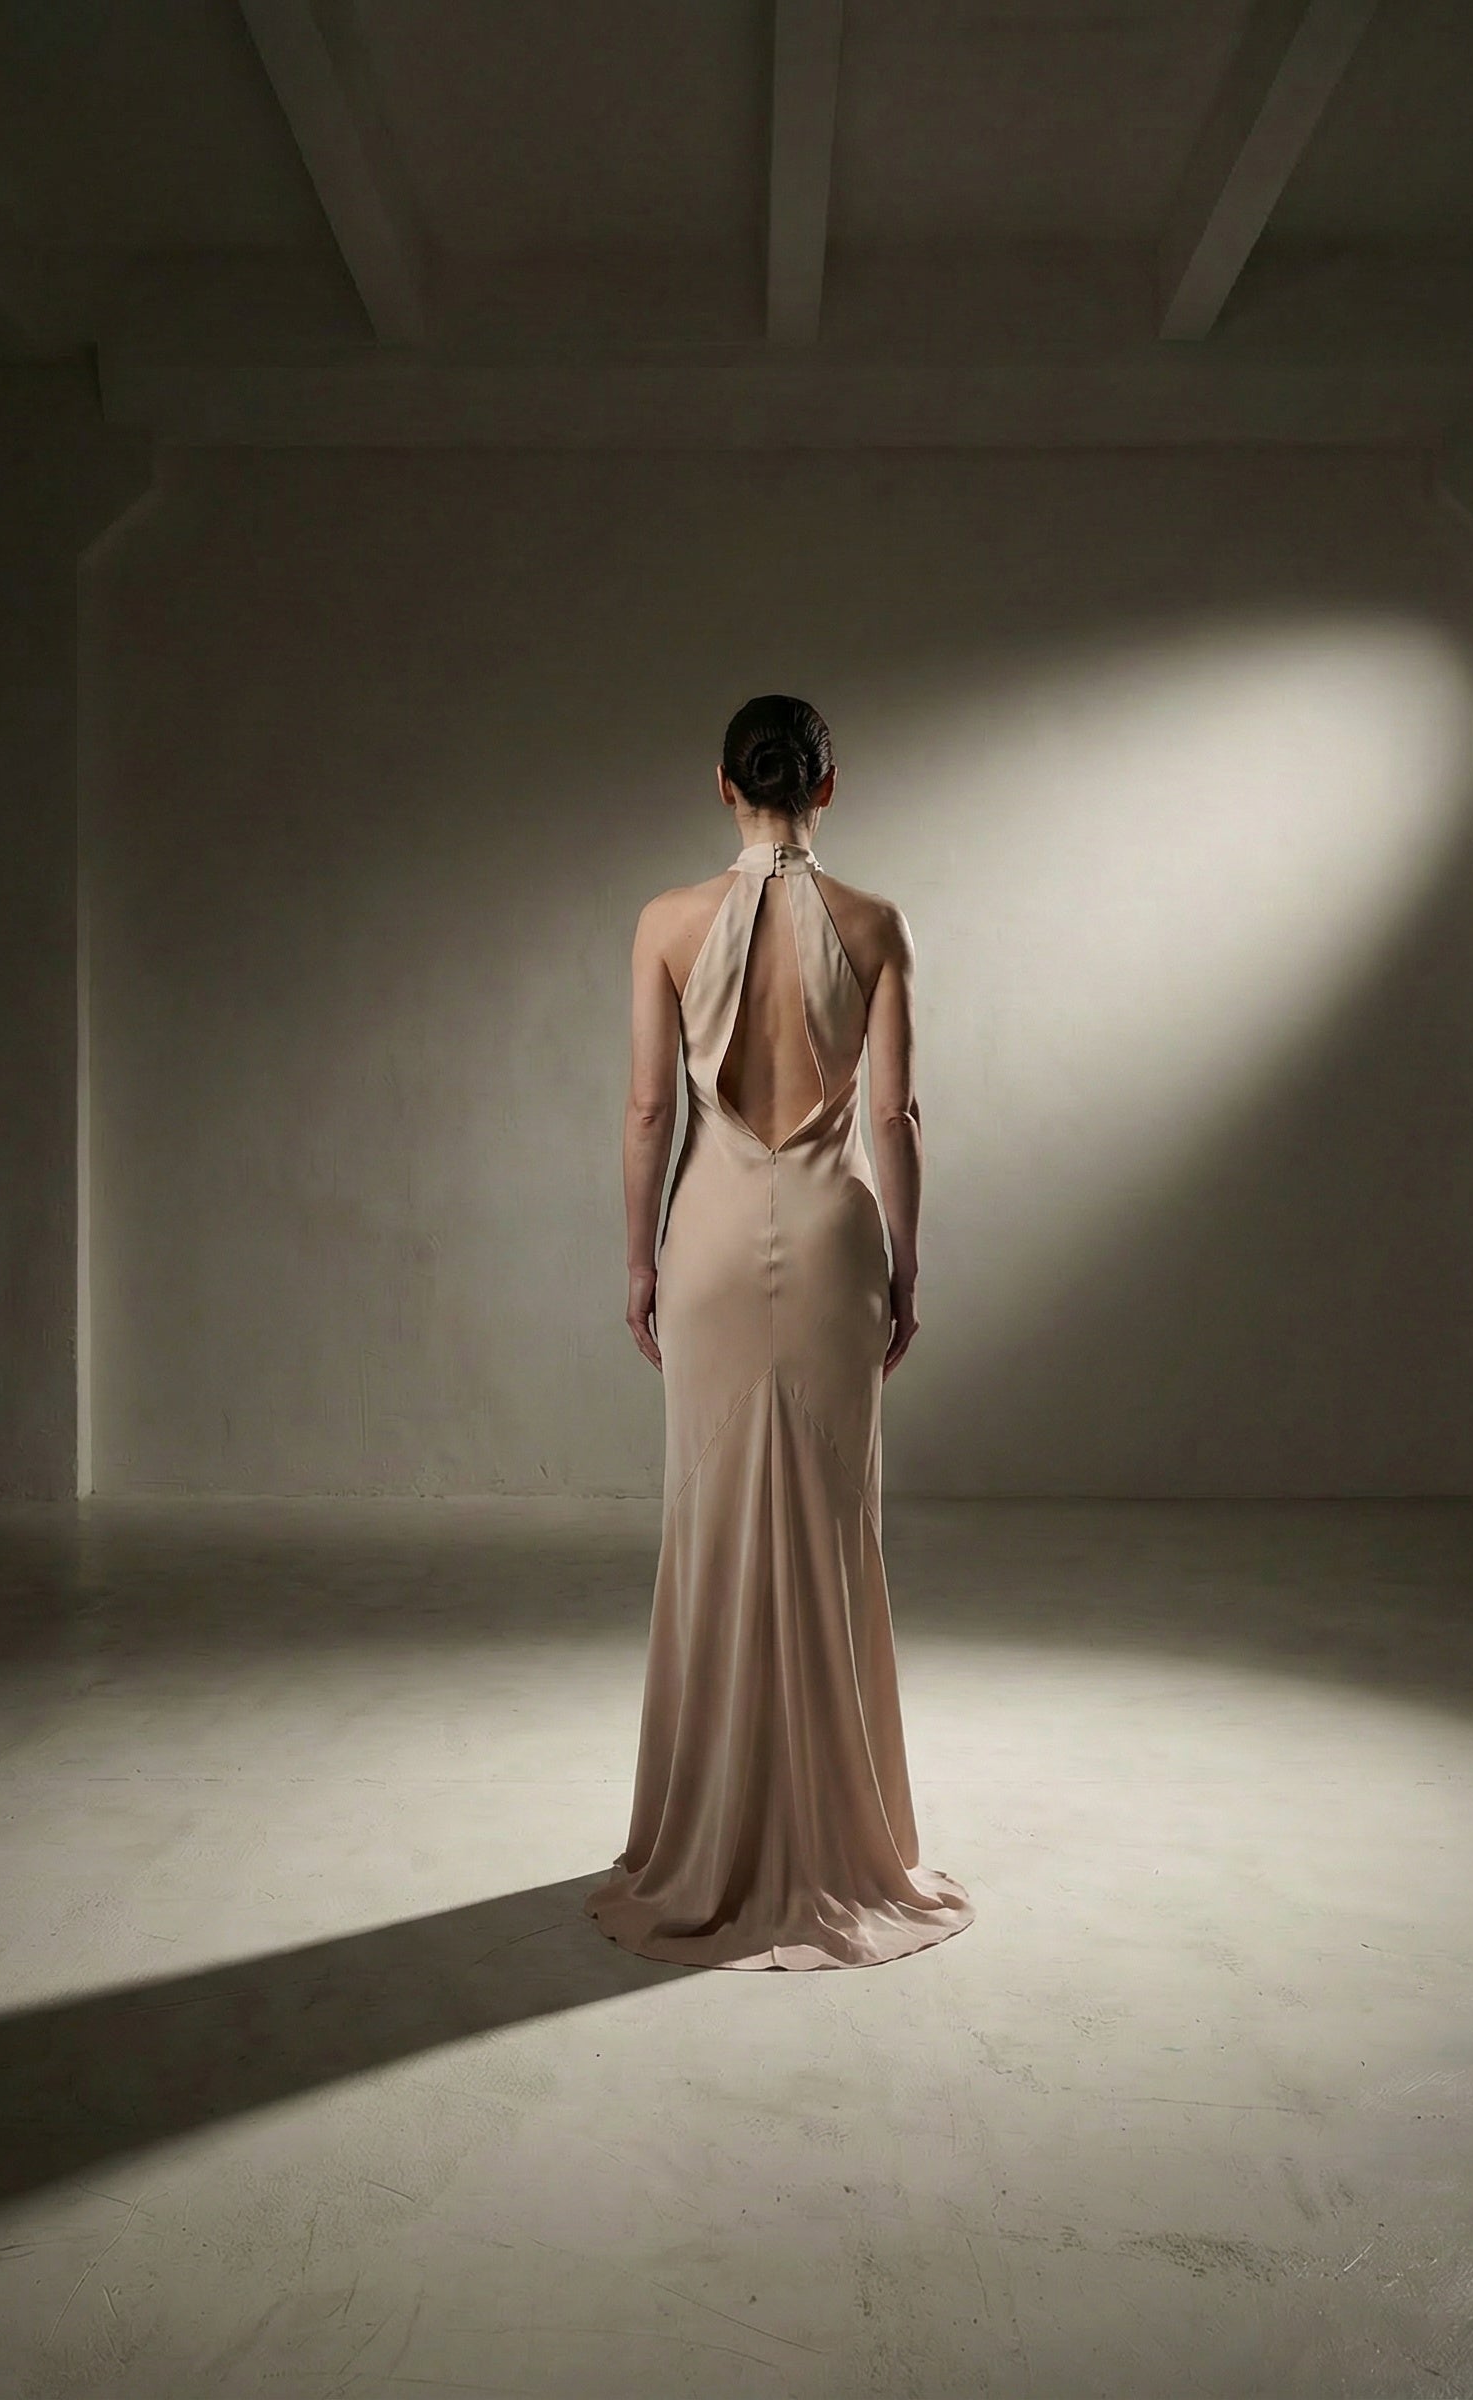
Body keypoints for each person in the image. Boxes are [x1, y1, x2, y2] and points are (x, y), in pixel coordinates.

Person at [583, 694, 975, 1970]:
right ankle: (834, 1840)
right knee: (830, 1523)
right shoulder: (875, 924)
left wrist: (638, 1259)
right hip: (829, 1239)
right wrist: (907, 1265)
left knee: (707, 1523)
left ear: (723, 785)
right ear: (828, 786)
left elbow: (650, 1111)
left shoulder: (664, 923)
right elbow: (896, 1117)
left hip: (705, 1238)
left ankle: (707, 1840)